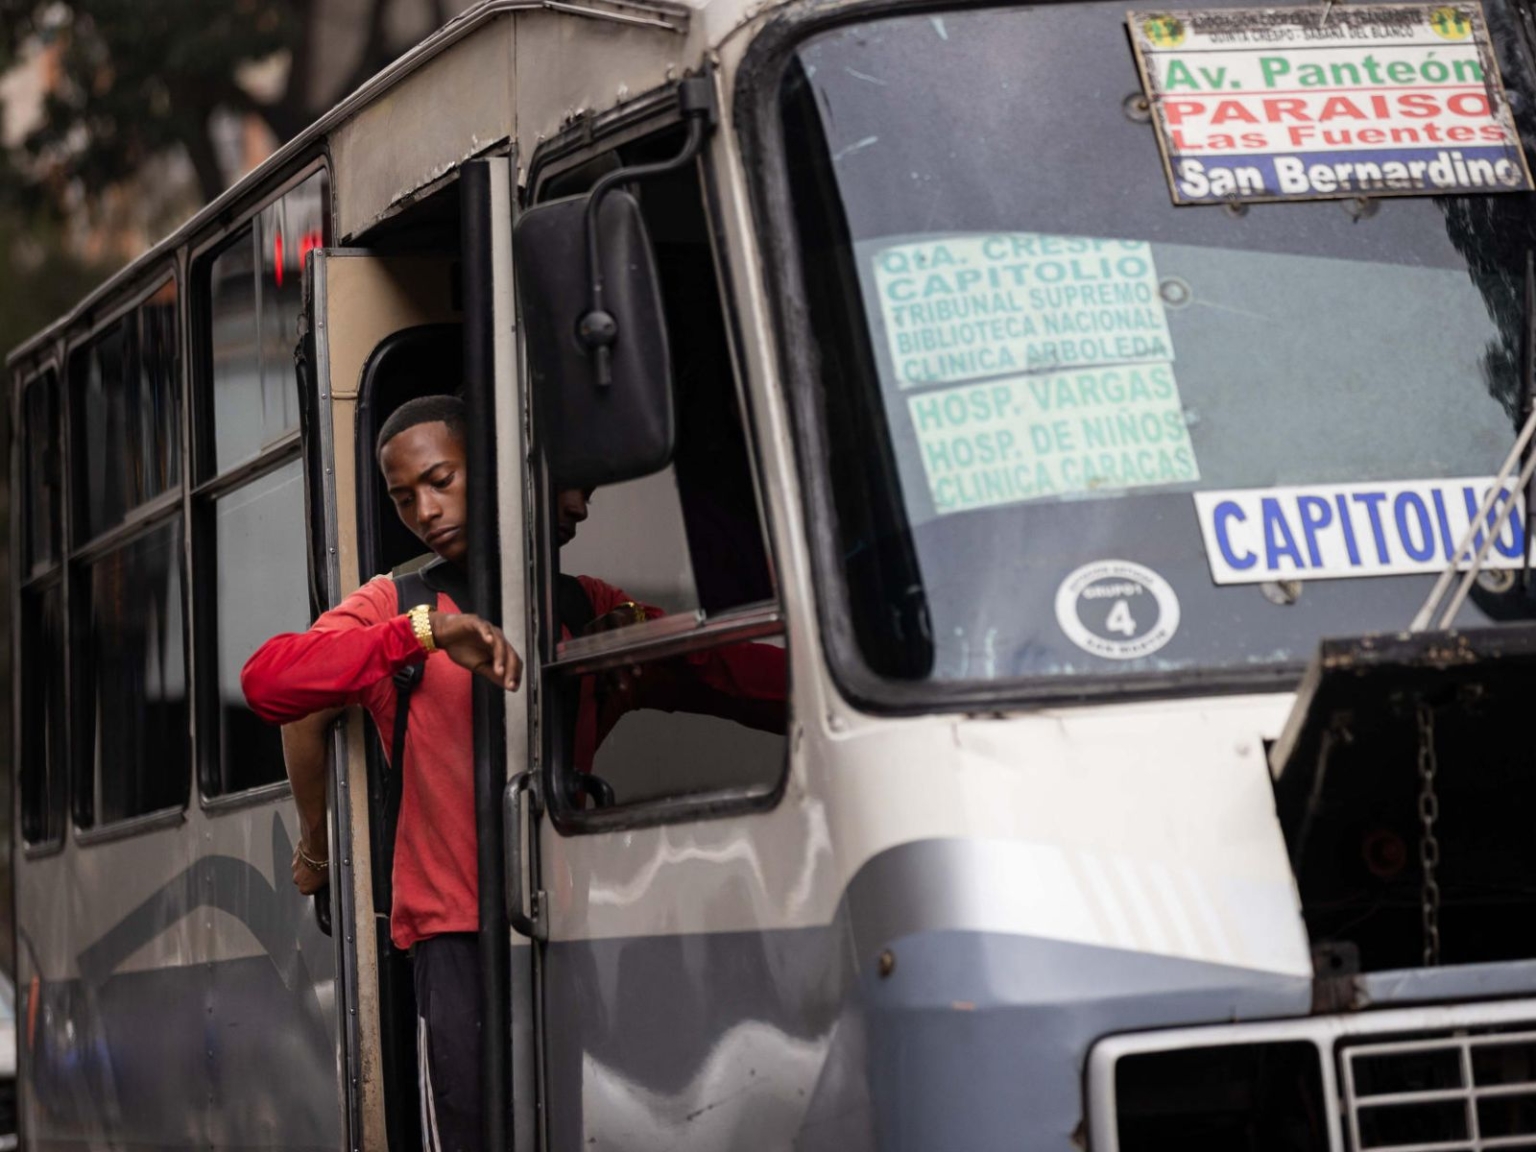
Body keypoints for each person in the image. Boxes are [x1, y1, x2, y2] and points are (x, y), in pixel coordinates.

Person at [241, 394, 784, 1152]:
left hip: (575, 932)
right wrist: (424, 633)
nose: (425, 511)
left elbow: (742, 677)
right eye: (405, 499)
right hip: (452, 940)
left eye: (441, 481)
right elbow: (271, 683)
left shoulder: (582, 605)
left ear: (490, 469)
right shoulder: (399, 603)